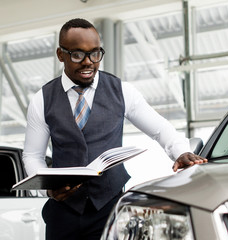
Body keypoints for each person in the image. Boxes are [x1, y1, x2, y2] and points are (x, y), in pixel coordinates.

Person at [22, 18, 207, 240]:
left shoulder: (122, 91)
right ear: (61, 55)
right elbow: (33, 155)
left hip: (110, 210)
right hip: (63, 214)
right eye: (78, 55)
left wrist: (180, 152)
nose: (89, 62)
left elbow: (160, 129)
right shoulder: (42, 99)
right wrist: (48, 189)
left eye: (95, 53)